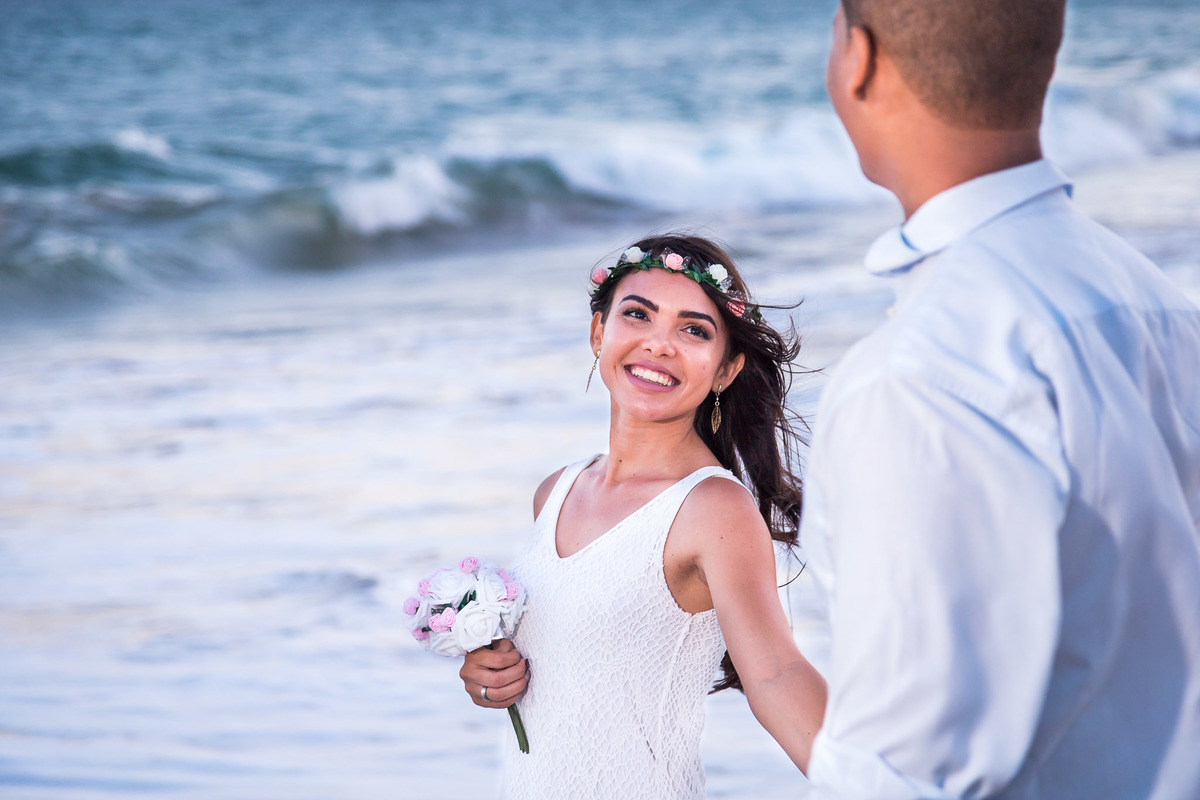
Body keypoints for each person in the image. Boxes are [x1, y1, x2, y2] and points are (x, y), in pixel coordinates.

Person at [803, 0, 1200, 797]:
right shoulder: (1155, 302)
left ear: (861, 61)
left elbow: (906, 772)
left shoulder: (920, 375)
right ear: (1043, 62)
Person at [458, 234, 826, 798]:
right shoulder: (556, 490)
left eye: (693, 330)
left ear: (725, 370)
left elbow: (777, 673)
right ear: (598, 333)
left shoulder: (712, 507)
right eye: (638, 315)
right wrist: (492, 675)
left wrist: (888, 785)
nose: (659, 345)